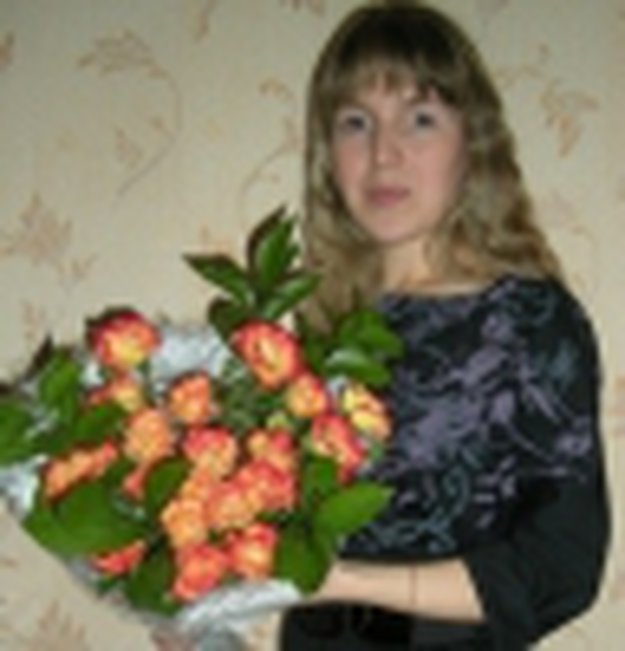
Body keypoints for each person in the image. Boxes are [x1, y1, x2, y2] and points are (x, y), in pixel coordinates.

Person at [279, 0, 610, 649]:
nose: (383, 154)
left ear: (473, 144)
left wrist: (342, 581)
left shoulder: (528, 320)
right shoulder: (322, 326)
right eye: (355, 122)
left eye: (420, 119)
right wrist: (198, 607)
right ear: (327, 153)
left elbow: (561, 567)